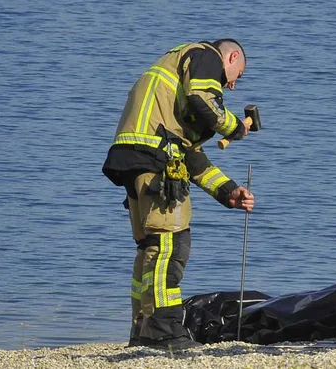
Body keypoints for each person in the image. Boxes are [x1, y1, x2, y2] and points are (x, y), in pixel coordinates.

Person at [103, 39, 255, 350]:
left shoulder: (171, 85)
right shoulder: (205, 56)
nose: (232, 86)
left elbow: (192, 158)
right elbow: (204, 99)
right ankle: (164, 329)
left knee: (149, 246)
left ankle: (143, 328)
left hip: (136, 158)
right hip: (154, 159)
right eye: (236, 76)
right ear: (232, 56)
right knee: (169, 244)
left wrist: (229, 192)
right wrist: (234, 127)